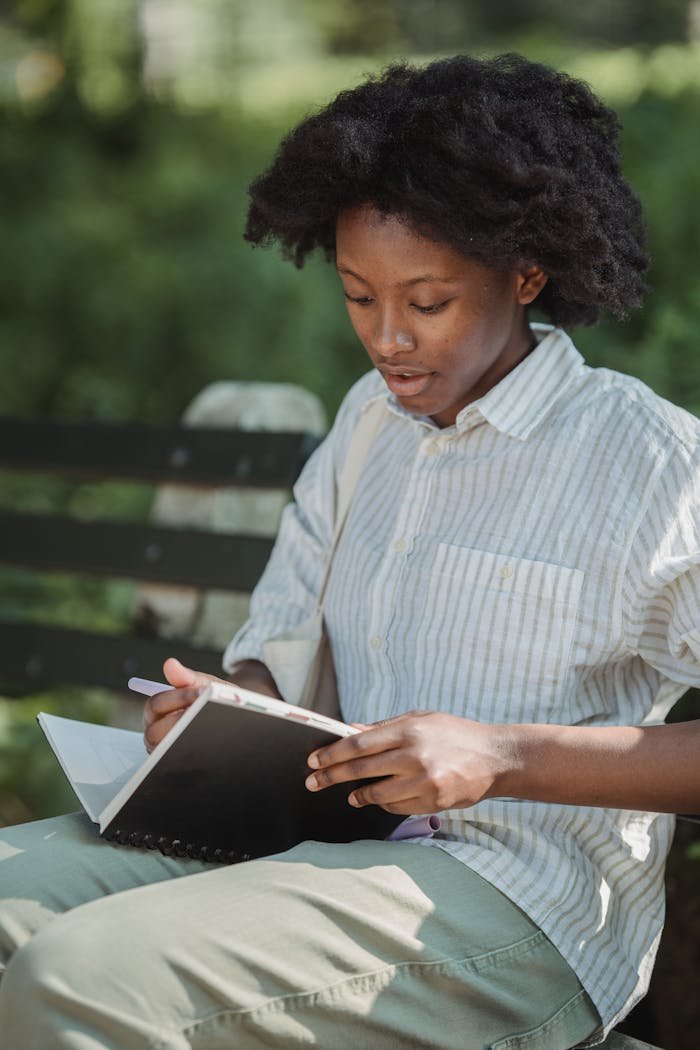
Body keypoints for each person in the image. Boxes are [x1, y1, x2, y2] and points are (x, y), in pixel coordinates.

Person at [1, 52, 699, 1050]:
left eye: (426, 301)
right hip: (306, 836)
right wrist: (221, 706)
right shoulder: (370, 423)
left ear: (525, 272)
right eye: (357, 295)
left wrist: (501, 757)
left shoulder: (650, 463)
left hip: (512, 903)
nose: (386, 339)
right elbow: (277, 646)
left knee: (77, 981)